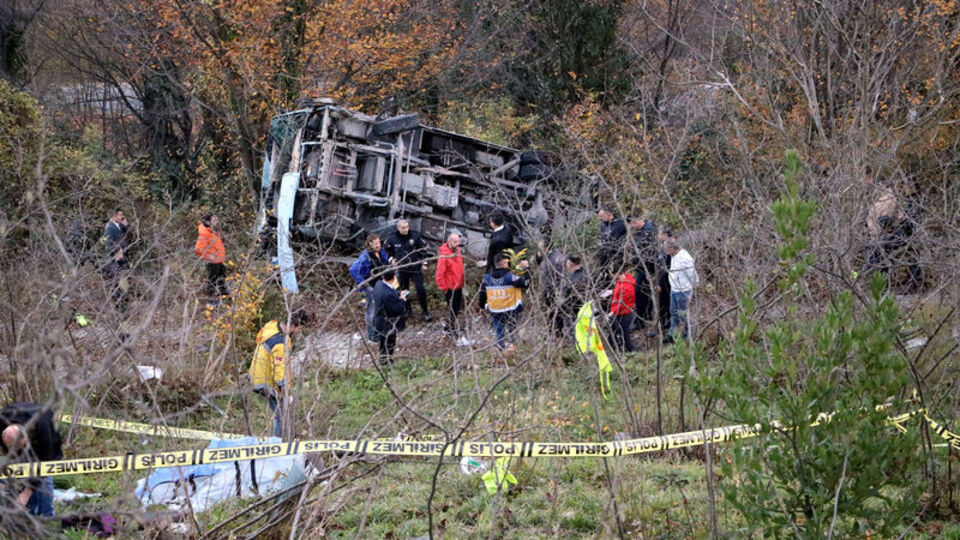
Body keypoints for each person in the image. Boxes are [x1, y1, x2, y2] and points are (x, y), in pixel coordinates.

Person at [249, 310, 309, 438]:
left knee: (280, 411)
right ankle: (279, 443)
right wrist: (285, 390)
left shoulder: (272, 325)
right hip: (266, 381)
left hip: (257, 375)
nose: (299, 332)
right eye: (299, 328)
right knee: (282, 412)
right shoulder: (279, 343)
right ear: (293, 326)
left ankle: (281, 437)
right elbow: (279, 370)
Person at [0, 402, 63, 517]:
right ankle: (20, 507)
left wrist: (26, 494)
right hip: (20, 419)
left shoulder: (44, 431)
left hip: (46, 435)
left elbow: (44, 467)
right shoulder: (2, 420)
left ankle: (46, 517)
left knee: (43, 479)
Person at [480, 252, 530, 352]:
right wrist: (526, 270)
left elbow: (482, 296)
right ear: (504, 263)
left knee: (499, 333)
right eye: (507, 262)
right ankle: (515, 350)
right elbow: (526, 284)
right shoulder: (511, 277)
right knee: (513, 332)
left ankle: (501, 351)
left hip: (495, 311)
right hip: (511, 309)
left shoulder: (486, 278)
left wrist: (484, 306)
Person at [384, 219, 432, 321]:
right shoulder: (392, 238)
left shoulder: (415, 236)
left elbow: (423, 250)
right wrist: (392, 260)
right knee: (404, 291)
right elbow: (387, 251)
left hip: (415, 268)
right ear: (398, 228)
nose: (406, 229)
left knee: (420, 289)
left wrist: (425, 263)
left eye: (407, 227)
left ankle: (425, 312)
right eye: (403, 228)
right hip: (402, 269)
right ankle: (407, 310)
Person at [349, 234, 389, 340]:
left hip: (380, 285)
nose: (378, 245)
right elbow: (353, 270)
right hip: (371, 287)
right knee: (372, 310)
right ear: (370, 243)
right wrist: (362, 282)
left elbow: (384, 264)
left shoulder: (381, 252)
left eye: (379, 242)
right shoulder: (366, 257)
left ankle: (380, 329)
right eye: (375, 243)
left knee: (381, 308)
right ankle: (372, 333)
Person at [436, 231, 469, 344]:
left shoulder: (457, 250)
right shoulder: (444, 254)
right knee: (452, 309)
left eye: (458, 241)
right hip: (450, 287)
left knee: (456, 308)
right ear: (449, 241)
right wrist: (444, 288)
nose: (457, 243)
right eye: (455, 242)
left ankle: (451, 326)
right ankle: (449, 328)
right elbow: (440, 274)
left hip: (458, 285)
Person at [663, 239, 699, 343]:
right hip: (674, 289)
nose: (665, 251)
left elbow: (692, 275)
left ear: (673, 248)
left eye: (667, 249)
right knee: (673, 312)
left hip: (683, 291)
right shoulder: (673, 256)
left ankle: (689, 334)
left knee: (683, 315)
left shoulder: (685, 259)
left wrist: (694, 288)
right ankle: (672, 334)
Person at [373, 269, 409, 365]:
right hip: (387, 323)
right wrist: (403, 300)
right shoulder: (387, 294)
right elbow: (395, 309)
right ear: (393, 278)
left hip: (380, 319)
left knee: (383, 341)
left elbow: (390, 293)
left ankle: (384, 358)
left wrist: (398, 294)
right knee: (389, 342)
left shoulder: (379, 285)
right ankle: (386, 361)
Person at [629, 216, 658, 332]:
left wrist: (648, 271)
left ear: (636, 221)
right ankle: (646, 315)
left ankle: (641, 320)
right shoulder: (642, 231)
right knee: (645, 293)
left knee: (640, 293)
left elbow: (649, 252)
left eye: (632, 224)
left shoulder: (649, 231)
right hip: (641, 267)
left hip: (646, 268)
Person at [195, 213, 228, 302]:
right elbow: (198, 249)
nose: (217, 222)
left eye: (217, 219)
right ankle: (211, 300)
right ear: (208, 222)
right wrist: (209, 257)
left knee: (222, 278)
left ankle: (224, 295)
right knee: (211, 282)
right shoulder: (205, 234)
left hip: (219, 261)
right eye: (214, 220)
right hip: (212, 262)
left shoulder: (213, 231)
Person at [559, 255, 589, 338]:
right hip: (582, 309)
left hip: (574, 310)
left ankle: (579, 348)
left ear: (570, 264)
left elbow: (568, 293)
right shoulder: (585, 273)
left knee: (576, 333)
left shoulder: (575, 278)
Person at [609, 270, 636, 352]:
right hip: (619, 311)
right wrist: (611, 291)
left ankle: (630, 350)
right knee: (613, 329)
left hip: (623, 313)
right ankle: (613, 345)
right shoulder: (622, 281)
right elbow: (618, 291)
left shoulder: (626, 288)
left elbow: (622, 304)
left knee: (625, 334)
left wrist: (612, 312)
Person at [655, 225, 674, 337]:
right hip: (662, 279)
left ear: (665, 235)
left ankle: (667, 324)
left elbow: (666, 267)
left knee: (666, 302)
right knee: (663, 302)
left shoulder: (670, 248)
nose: (658, 236)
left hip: (667, 281)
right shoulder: (662, 246)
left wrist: (660, 282)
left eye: (659, 234)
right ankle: (665, 322)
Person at [596, 208, 627, 272]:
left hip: (616, 254)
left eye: (602, 216)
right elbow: (602, 237)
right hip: (604, 255)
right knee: (604, 272)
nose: (600, 218)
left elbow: (617, 239)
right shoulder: (603, 225)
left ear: (608, 214)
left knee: (617, 272)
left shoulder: (620, 224)